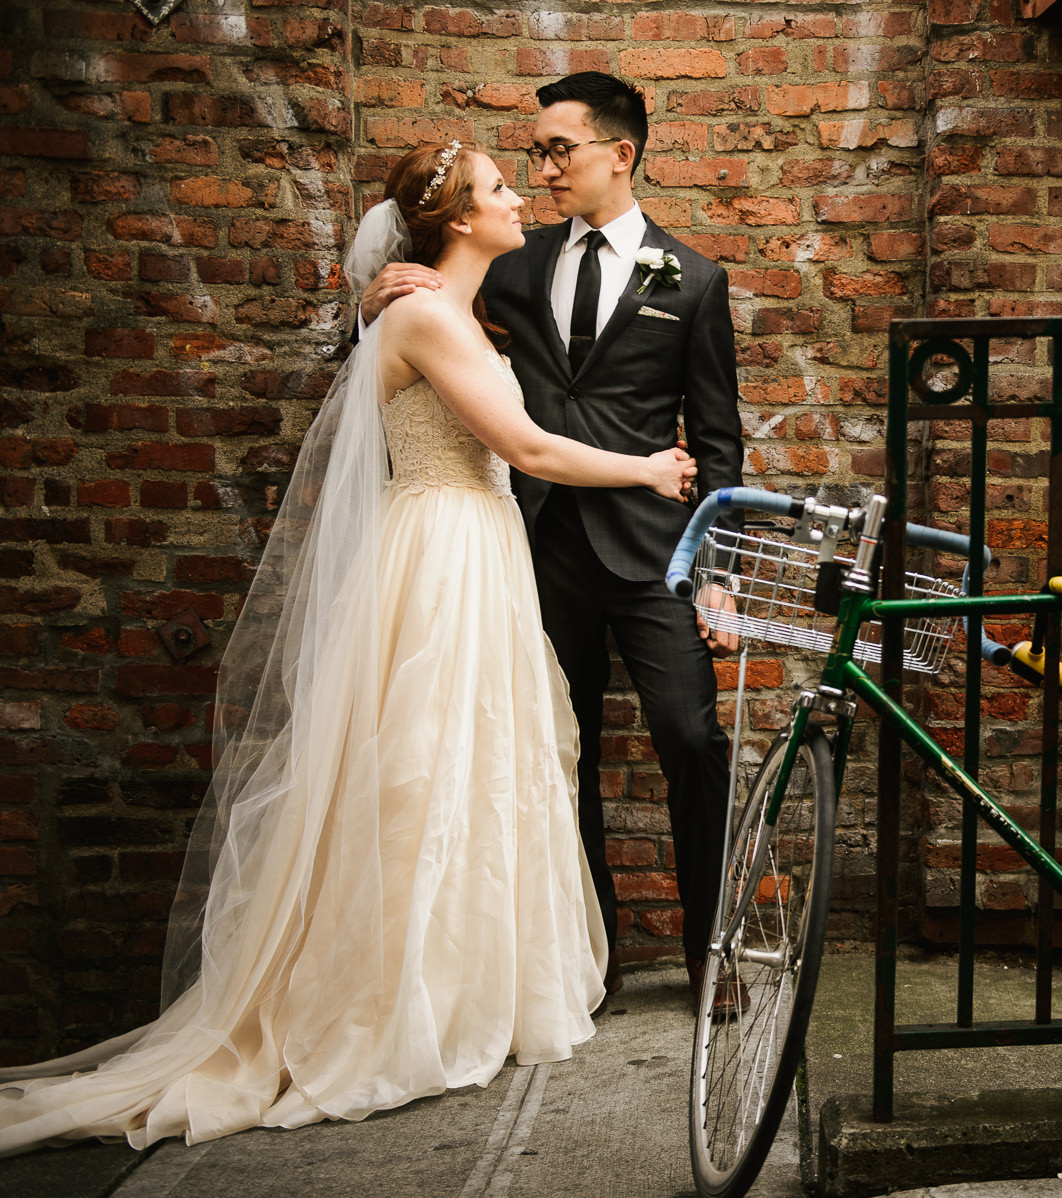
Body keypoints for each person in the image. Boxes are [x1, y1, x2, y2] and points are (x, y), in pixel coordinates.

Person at [0, 141, 696, 1155]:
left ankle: (461, 985)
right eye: (503, 187)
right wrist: (645, 468)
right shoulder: (421, 315)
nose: (522, 200)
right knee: (419, 774)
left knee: (470, 769)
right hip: (444, 551)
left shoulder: (447, 308)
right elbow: (529, 447)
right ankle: (397, 1000)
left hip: (470, 544)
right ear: (459, 219)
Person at [362, 73, 746, 1013]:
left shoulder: (692, 280)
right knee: (549, 751)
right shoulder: (514, 261)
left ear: (619, 154)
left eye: (557, 150)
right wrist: (380, 291)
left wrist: (722, 575)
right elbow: (430, 319)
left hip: (659, 554)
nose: (541, 169)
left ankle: (713, 949)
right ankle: (588, 953)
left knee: (692, 739)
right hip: (530, 546)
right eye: (530, 154)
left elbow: (721, 440)